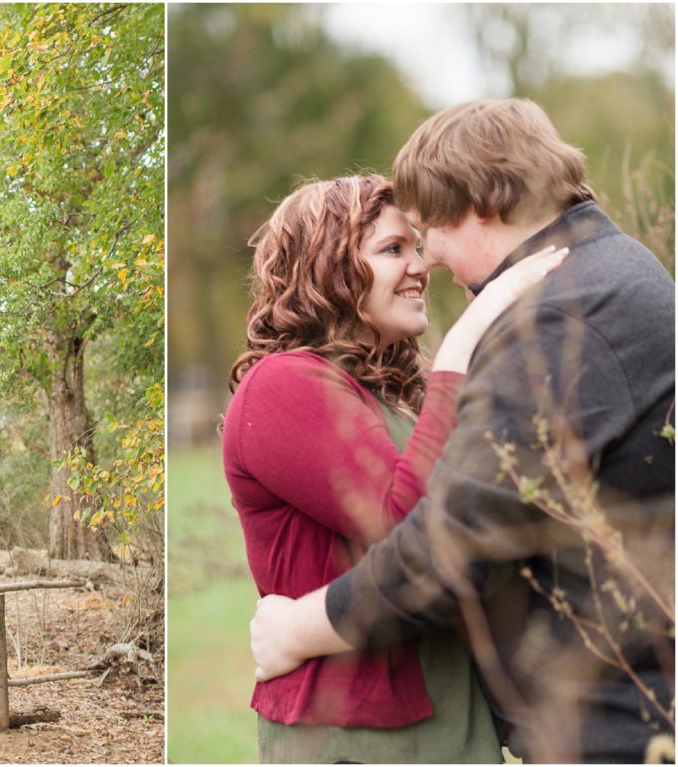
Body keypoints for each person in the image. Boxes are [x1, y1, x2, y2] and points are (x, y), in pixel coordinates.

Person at [250, 99, 675, 763]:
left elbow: (453, 544)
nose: (431, 259)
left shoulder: (564, 316)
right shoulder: (606, 275)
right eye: (397, 245)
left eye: (426, 234)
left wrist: (297, 627)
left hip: (612, 728)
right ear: (332, 269)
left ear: (477, 203)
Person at [224, 173, 567, 762]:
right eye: (392, 250)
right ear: (326, 269)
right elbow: (401, 522)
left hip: (453, 704)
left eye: (415, 247)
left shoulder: (394, 389)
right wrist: (462, 345)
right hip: (356, 729)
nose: (420, 265)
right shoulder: (282, 384)